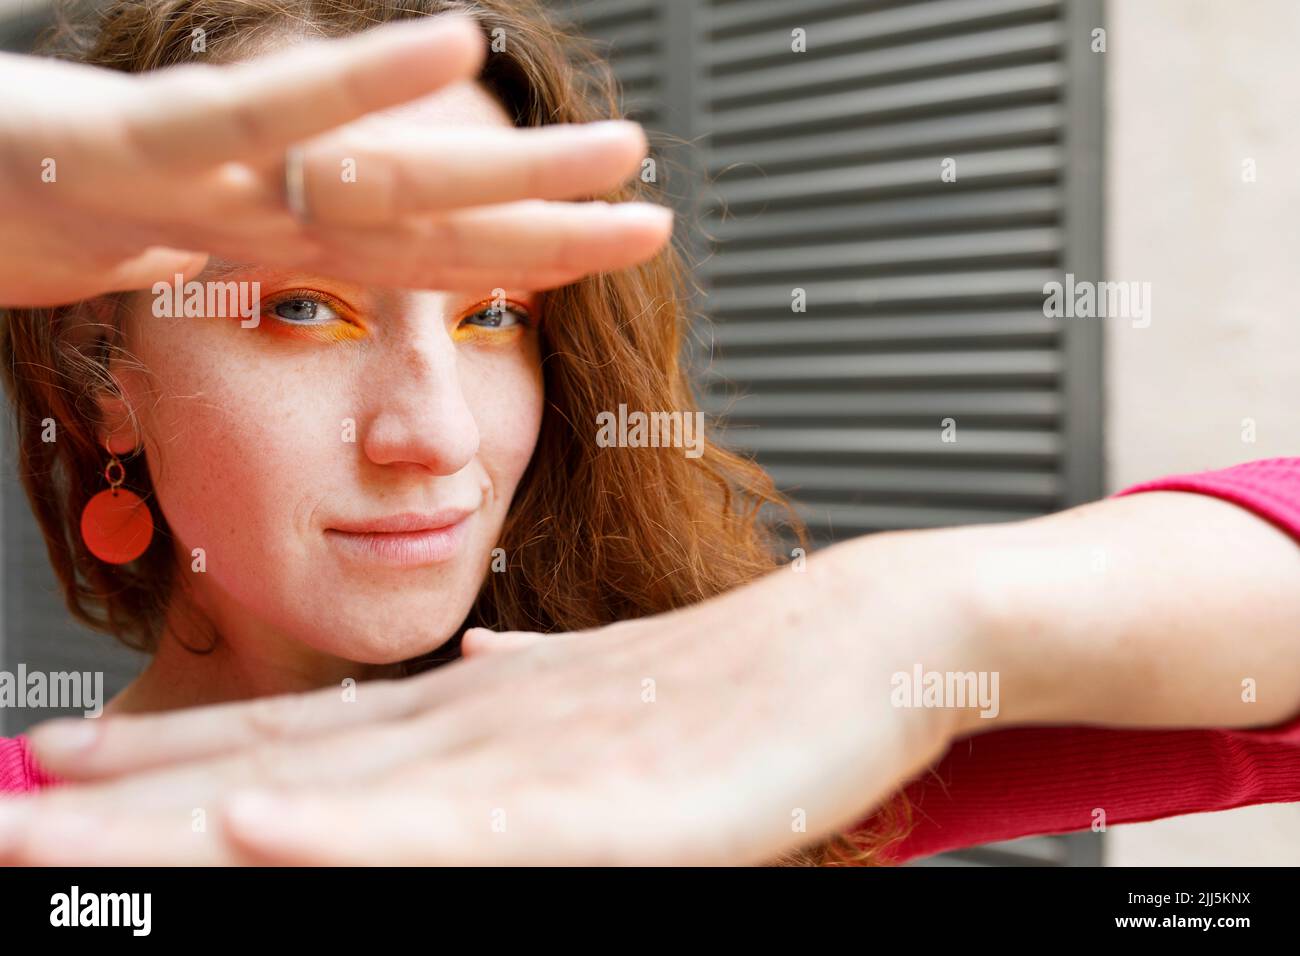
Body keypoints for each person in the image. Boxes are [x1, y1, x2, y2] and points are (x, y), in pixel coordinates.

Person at [0, 1, 1297, 866]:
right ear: (102, 368)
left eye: (495, 313)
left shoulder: (696, 742)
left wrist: (909, 612)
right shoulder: (37, 829)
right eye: (301, 307)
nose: (435, 432)